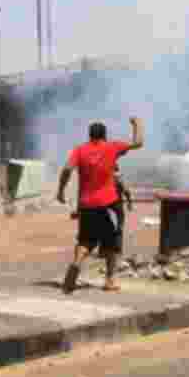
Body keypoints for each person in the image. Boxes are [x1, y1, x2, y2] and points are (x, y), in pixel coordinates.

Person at [56, 118, 144, 294]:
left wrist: (61, 190)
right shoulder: (112, 147)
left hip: (87, 205)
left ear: (90, 136)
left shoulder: (80, 150)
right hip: (109, 204)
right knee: (112, 243)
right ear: (104, 135)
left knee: (85, 240)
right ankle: (110, 281)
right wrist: (137, 124)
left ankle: (76, 264)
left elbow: (67, 169)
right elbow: (138, 143)